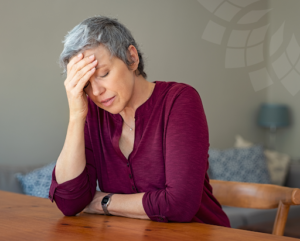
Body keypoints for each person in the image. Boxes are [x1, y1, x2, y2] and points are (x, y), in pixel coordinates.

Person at [49, 15, 230, 226]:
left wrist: (102, 202)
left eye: (104, 73)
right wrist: (76, 117)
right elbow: (69, 204)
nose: (96, 91)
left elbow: (180, 205)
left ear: (131, 58)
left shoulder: (179, 100)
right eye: (85, 85)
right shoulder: (93, 114)